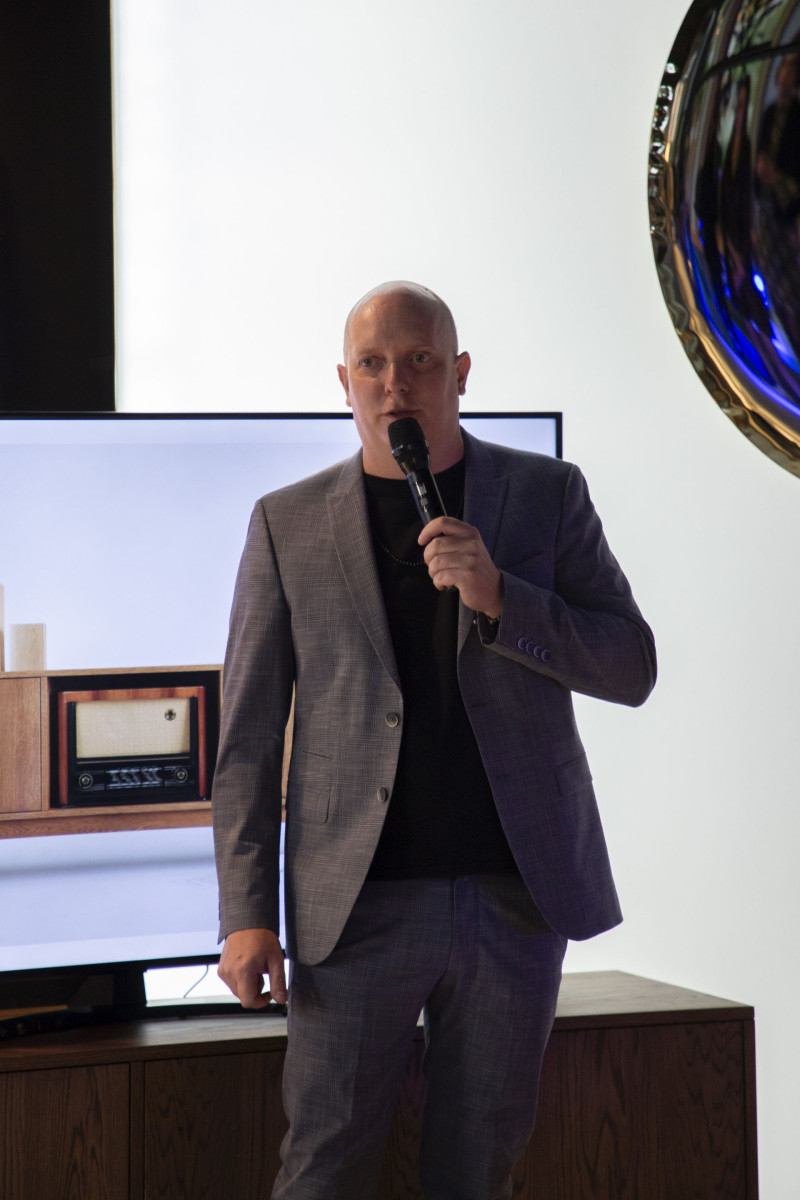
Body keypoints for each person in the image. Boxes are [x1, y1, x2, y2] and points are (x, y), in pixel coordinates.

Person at [212, 281, 657, 1199]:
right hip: (356, 906)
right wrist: (245, 912)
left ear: (460, 373)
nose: (396, 385)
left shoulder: (546, 494)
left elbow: (631, 664)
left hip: (514, 896)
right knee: (323, 1166)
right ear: (344, 383)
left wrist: (501, 598)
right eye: (372, 365)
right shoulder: (285, 522)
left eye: (419, 361)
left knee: (477, 1170)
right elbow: (247, 739)